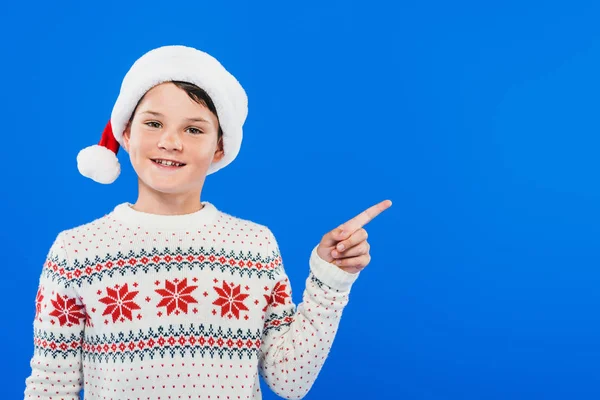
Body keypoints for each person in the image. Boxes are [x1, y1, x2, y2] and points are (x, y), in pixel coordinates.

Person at [23, 45, 392, 400]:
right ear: (126, 133)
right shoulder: (76, 251)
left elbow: (289, 381)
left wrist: (330, 280)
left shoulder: (254, 246)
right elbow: (50, 388)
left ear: (220, 146)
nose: (170, 142)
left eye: (194, 129)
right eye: (153, 123)